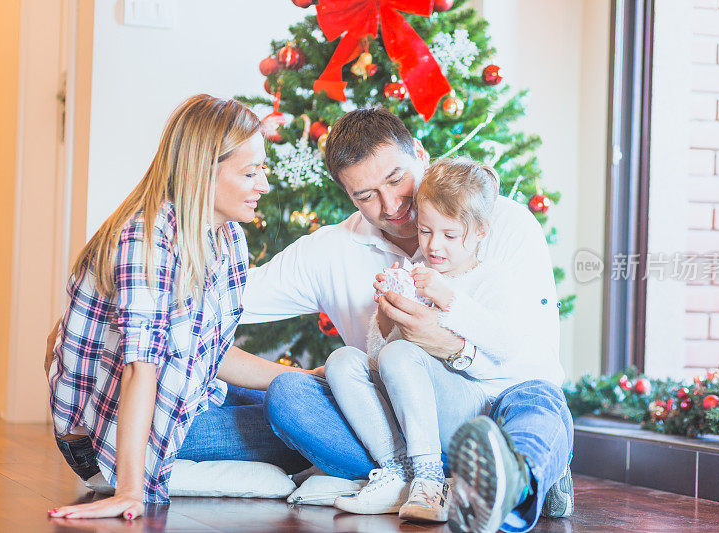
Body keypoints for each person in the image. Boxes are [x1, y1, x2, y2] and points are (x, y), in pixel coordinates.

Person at [241, 107, 574, 532]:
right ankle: (426, 478)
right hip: (401, 431)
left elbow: (536, 364)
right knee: (290, 394)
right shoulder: (330, 251)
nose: (392, 205)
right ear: (348, 196)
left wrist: (451, 345)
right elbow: (230, 296)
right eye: (366, 196)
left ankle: (516, 481)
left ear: (420, 153)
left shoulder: (500, 222)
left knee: (538, 401)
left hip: (493, 410)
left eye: (397, 179)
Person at [46, 94, 313, 521]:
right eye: (250, 172)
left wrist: (309, 376)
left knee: (302, 397)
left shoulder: (227, 238)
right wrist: (131, 490)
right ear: (203, 172)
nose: (264, 185)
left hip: (188, 398)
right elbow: (140, 367)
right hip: (106, 439)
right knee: (306, 425)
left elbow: (212, 352)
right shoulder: (145, 240)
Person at [323, 157, 563, 525]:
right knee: (342, 359)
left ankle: (431, 477)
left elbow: (504, 343)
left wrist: (450, 300)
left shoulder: (491, 279)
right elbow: (378, 358)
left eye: (450, 235)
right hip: (414, 411)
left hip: (469, 402)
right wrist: (386, 317)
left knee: (403, 352)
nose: (434, 247)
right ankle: (399, 470)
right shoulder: (418, 272)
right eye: (424, 231)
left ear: (481, 232)